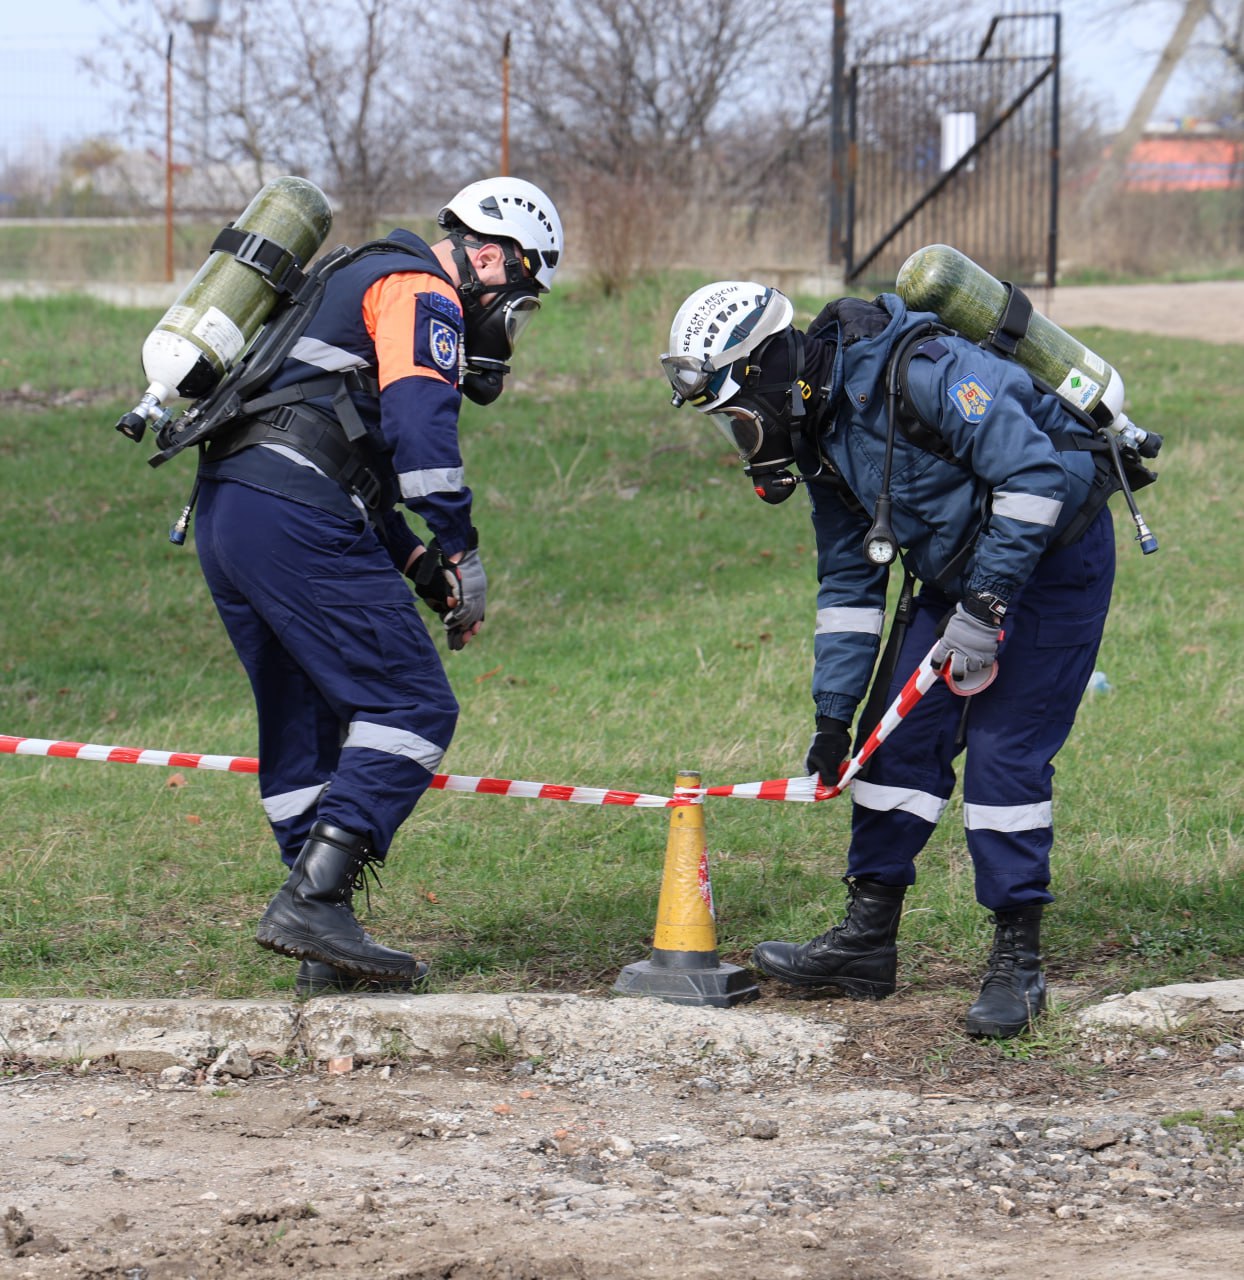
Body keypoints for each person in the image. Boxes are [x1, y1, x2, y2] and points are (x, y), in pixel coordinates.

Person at [660, 279, 1120, 1038]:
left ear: (768, 374)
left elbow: (1036, 480)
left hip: (1052, 566)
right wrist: (834, 719)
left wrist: (988, 606)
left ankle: (1018, 962)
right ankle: (867, 942)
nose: (744, 439)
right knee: (895, 745)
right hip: (956, 579)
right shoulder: (822, 440)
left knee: (1004, 756)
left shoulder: (926, 372)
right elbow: (849, 585)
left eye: (738, 418)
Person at [191, 177, 563, 996]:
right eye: (521, 294)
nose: (514, 317)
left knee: (306, 732)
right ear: (490, 255)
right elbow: (419, 427)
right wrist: (462, 549)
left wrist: (422, 569)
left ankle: (323, 940)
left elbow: (346, 458)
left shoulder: (348, 276)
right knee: (411, 705)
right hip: (292, 511)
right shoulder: (420, 287)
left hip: (232, 512)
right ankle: (315, 901)